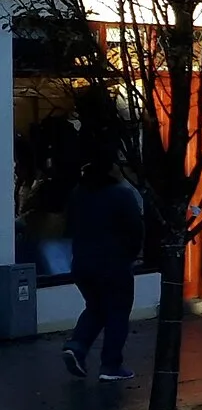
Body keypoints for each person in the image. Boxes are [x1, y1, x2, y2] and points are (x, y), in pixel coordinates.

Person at [60, 153, 144, 382]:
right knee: (117, 311)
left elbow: (69, 226)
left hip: (82, 263)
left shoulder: (78, 194)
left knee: (96, 307)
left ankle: (77, 346)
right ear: (111, 170)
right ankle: (111, 365)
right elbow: (136, 229)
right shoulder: (122, 194)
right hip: (114, 264)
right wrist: (131, 254)